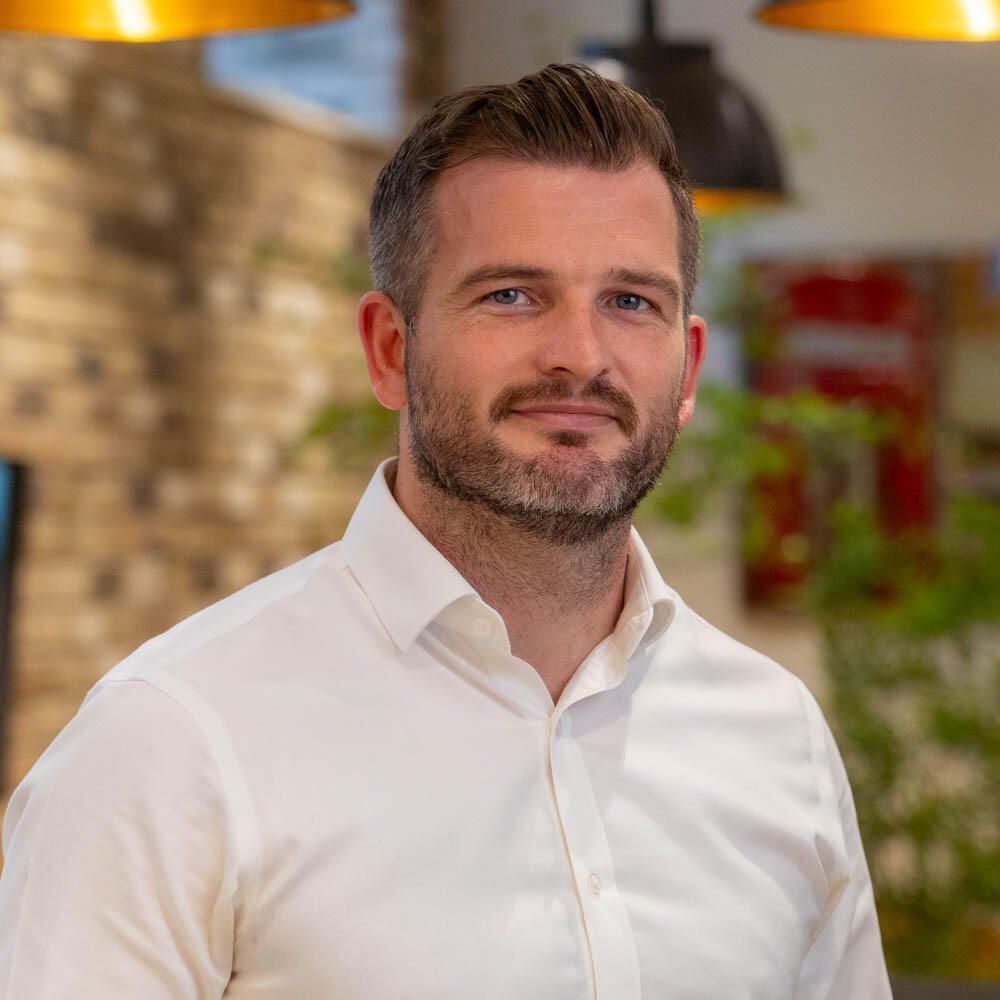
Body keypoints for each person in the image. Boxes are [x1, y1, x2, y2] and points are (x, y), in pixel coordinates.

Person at [0, 64, 892, 998]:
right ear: (391, 349)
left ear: (689, 364)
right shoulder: (168, 746)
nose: (579, 356)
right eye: (511, 295)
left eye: (632, 302)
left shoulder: (777, 736)